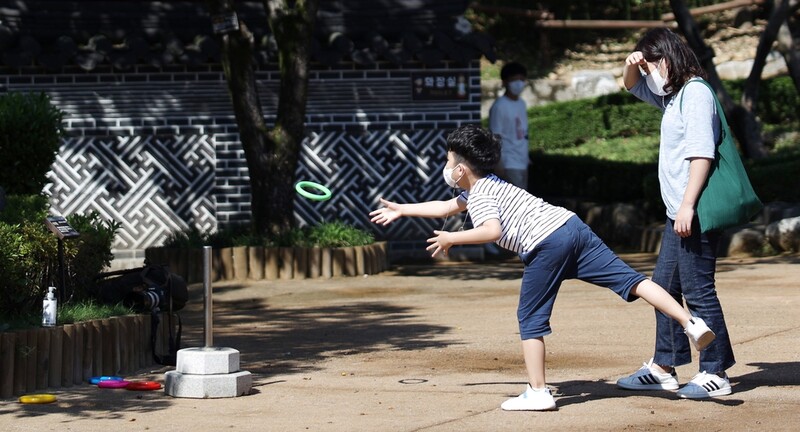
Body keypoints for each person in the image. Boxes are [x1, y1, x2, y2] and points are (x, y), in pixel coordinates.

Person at [369, 124, 715, 411]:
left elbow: (491, 231)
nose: (445, 167)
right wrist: (402, 209)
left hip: (546, 244)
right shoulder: (489, 185)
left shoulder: (482, 195)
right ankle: (691, 323)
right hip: (572, 228)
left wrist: (451, 239)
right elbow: (446, 207)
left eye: (448, 161)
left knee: (530, 316)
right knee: (632, 280)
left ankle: (538, 392)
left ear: (460, 169)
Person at [615, 28, 736, 399]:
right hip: (677, 212)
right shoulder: (673, 95)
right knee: (663, 289)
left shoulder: (695, 93)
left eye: (651, 65)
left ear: (666, 59)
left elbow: (702, 153)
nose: (648, 74)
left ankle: (715, 371)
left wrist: (687, 205)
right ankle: (664, 366)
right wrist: (631, 64)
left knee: (699, 290)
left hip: (693, 211)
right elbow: (631, 86)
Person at [489, 62, 529, 190]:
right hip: (508, 163)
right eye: (514, 80)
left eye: (521, 79)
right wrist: (499, 163)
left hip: (522, 162)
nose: (519, 83)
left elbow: (523, 133)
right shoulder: (499, 106)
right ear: (505, 82)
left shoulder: (521, 103)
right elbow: (495, 136)